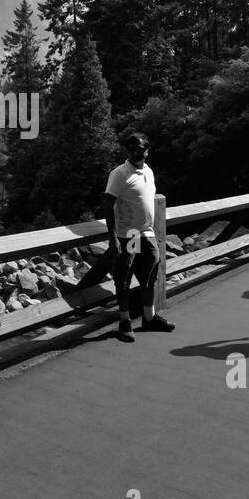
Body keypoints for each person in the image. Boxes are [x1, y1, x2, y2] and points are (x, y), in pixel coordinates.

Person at [101, 132, 174, 342]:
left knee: (150, 274)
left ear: (147, 150)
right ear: (127, 151)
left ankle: (149, 317)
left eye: (139, 149)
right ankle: (124, 321)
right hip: (129, 234)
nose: (135, 153)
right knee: (123, 279)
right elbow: (108, 205)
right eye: (131, 149)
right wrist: (113, 237)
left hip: (147, 232)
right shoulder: (120, 173)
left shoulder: (148, 172)